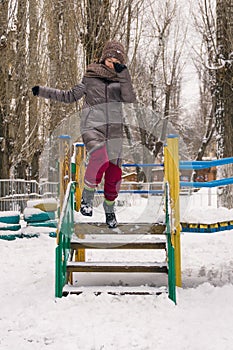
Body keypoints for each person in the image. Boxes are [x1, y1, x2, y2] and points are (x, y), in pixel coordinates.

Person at [32, 40, 136, 228]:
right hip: (92, 127)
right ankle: (87, 200)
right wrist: (42, 91)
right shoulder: (90, 78)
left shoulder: (121, 81)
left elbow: (130, 99)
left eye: (116, 60)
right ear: (104, 59)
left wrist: (124, 75)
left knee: (114, 173)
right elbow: (69, 96)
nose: (112, 63)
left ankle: (109, 210)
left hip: (114, 132)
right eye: (110, 59)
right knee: (99, 157)